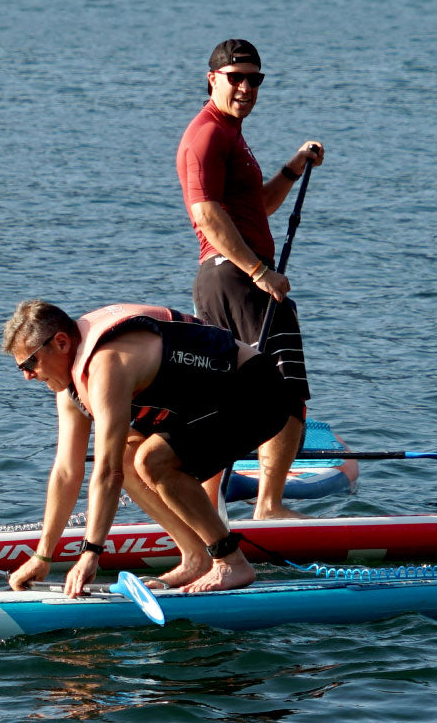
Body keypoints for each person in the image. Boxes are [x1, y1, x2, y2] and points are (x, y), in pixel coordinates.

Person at [2, 300, 304, 596]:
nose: (28, 375)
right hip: (204, 403)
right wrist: (43, 556)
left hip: (258, 393)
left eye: (30, 363)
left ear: (62, 342)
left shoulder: (107, 364)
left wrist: (91, 553)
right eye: (21, 368)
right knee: (128, 455)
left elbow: (108, 473)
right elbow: (67, 471)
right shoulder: (71, 383)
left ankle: (230, 561)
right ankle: (196, 558)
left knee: (152, 461)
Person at [176, 38, 325, 519]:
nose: (245, 87)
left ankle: (208, 509)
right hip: (238, 280)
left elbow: (256, 207)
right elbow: (207, 214)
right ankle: (269, 507)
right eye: (235, 77)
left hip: (226, 279)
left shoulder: (231, 135)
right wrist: (260, 271)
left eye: (254, 78)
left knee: (227, 394)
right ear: (212, 78)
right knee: (285, 390)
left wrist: (292, 167)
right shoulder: (207, 136)